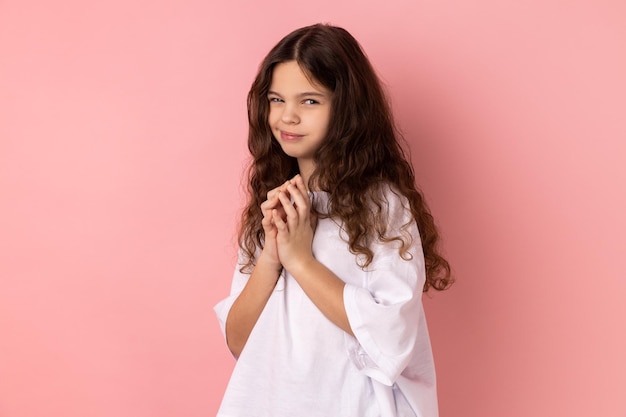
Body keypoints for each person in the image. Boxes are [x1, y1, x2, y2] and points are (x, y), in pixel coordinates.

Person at [214, 23, 452, 417]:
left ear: (346, 109)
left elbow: (391, 341)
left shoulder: (382, 208)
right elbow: (240, 343)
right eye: (276, 99)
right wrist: (273, 257)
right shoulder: (273, 206)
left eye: (309, 101)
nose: (287, 116)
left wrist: (301, 261)